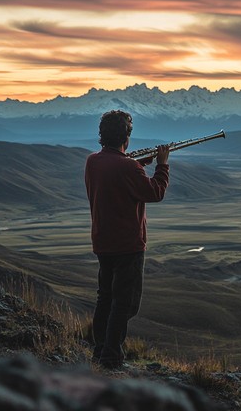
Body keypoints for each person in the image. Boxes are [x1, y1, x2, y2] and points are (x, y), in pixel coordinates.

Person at [84, 110, 170, 369]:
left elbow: (117, 176)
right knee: (125, 303)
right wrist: (162, 164)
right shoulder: (128, 167)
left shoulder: (92, 161)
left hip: (103, 242)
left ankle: (100, 351)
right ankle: (112, 355)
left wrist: (138, 164)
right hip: (128, 245)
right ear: (126, 136)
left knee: (105, 298)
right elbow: (155, 192)